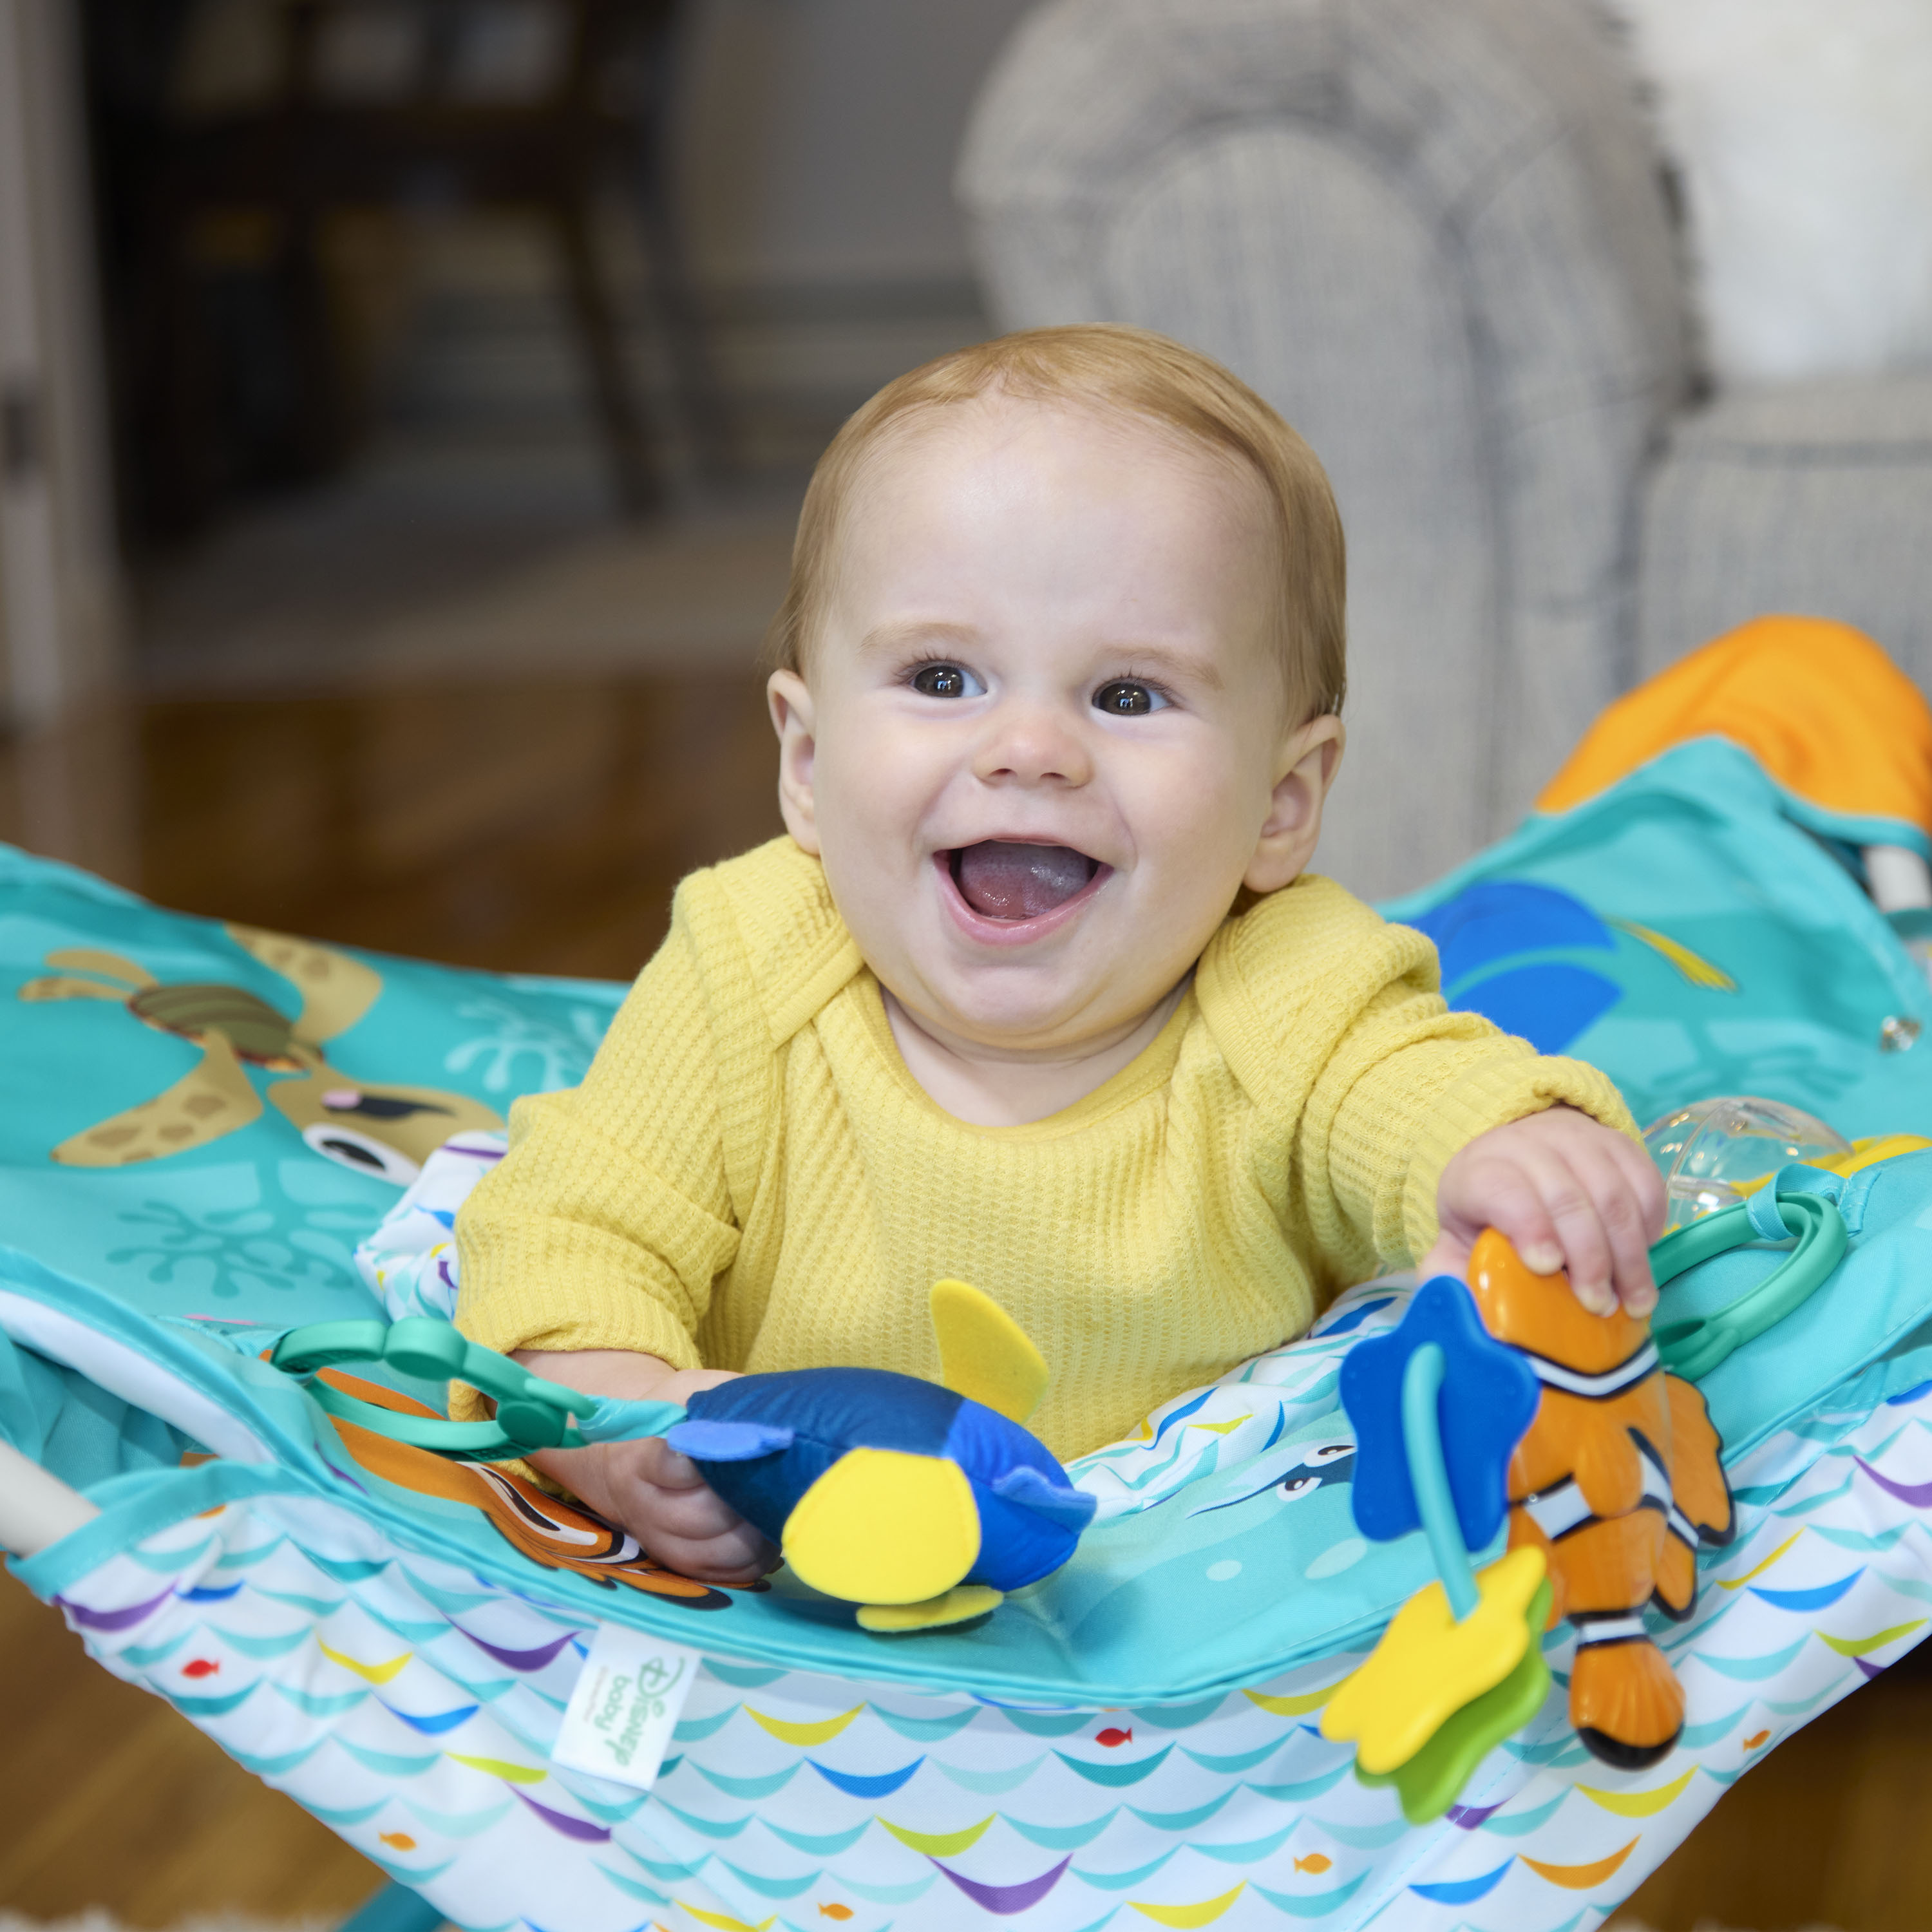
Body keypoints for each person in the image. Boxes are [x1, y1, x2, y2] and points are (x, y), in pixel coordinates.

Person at [453, 325, 1663, 1585]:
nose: (1029, 750)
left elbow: (1412, 1086)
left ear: (1280, 804)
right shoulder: (749, 962)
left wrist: (1505, 1152)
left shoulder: (1287, 981)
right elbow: (567, 1234)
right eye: (942, 677)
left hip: (1187, 1597)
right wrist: (619, 1421)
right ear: (806, 764)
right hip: (797, 1587)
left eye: (1127, 696)